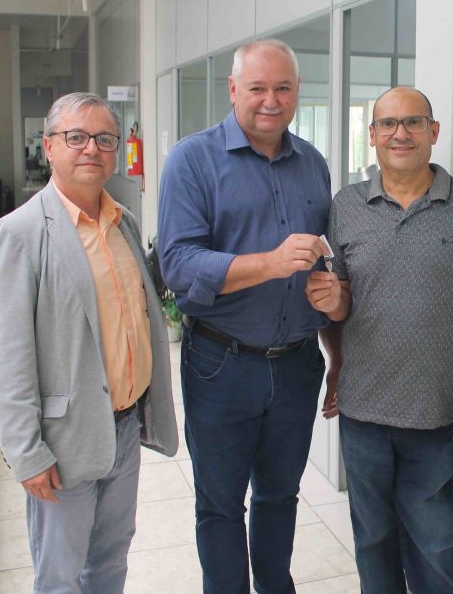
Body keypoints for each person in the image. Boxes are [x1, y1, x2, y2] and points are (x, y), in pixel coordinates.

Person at [306, 87, 453, 594]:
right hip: (362, 411)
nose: (401, 133)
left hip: (436, 413)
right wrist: (334, 354)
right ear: (372, 135)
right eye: (389, 124)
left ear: (433, 132)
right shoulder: (347, 206)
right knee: (373, 541)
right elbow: (342, 305)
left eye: (414, 122)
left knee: (435, 546)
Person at [157, 39, 339, 594]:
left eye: (283, 88)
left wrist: (337, 354)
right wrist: (270, 263)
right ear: (233, 89)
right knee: (219, 506)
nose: (271, 100)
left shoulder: (313, 163)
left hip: (298, 364)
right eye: (257, 88)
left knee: (281, 496)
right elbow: (177, 265)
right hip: (222, 363)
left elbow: (326, 270)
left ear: (297, 91)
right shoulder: (192, 160)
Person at [0, 92, 179, 593]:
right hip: (63, 442)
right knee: (61, 576)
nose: (91, 148)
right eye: (76, 137)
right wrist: (27, 454)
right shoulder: (19, 234)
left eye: (104, 139)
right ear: (49, 146)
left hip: (124, 428)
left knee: (110, 561)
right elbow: (7, 359)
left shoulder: (123, 223)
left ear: (116, 151)